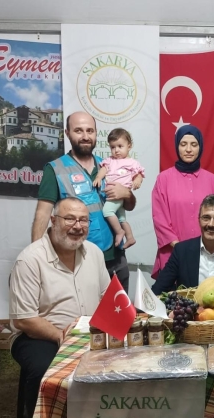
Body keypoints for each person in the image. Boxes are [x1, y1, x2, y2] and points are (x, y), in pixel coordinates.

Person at [10, 197, 111, 418]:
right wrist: (59, 335)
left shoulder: (94, 252)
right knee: (44, 371)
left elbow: (106, 297)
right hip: (41, 334)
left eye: (83, 220)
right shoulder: (30, 259)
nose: (77, 227)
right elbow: (24, 319)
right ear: (53, 221)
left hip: (87, 333)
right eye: (69, 219)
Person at [31, 111, 136, 292]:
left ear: (96, 133)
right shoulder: (55, 169)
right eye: (78, 131)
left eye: (90, 131)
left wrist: (127, 193)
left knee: (120, 317)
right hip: (77, 261)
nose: (85, 136)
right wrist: (35, 260)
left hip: (116, 259)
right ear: (67, 133)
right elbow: (42, 214)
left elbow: (129, 206)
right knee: (84, 318)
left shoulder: (109, 165)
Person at [151, 125, 214, 279]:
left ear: (200, 147)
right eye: (183, 144)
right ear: (177, 147)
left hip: (205, 254)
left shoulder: (211, 180)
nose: (188, 149)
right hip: (172, 253)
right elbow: (159, 219)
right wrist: (179, 247)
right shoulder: (163, 179)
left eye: (194, 144)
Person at [151, 195, 214, 294]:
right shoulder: (181, 251)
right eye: (206, 218)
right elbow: (158, 289)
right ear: (199, 220)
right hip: (190, 309)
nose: (211, 224)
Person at [93, 128, 145, 249]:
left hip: (118, 195)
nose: (116, 150)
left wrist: (137, 180)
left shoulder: (132, 162)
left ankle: (119, 232)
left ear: (129, 146)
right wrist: (98, 178)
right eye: (113, 147)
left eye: (120, 146)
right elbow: (103, 170)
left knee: (107, 212)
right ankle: (130, 237)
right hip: (112, 195)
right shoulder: (110, 160)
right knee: (121, 218)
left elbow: (139, 173)